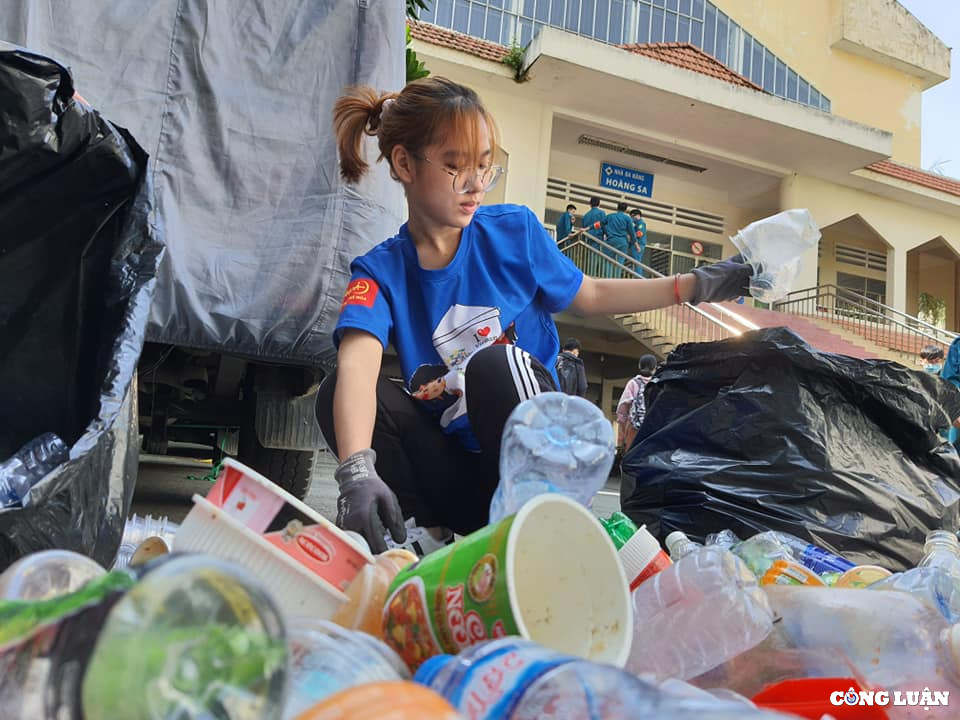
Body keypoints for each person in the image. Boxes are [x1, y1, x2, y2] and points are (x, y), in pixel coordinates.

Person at [317, 76, 753, 554]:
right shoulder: (380, 271)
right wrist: (355, 470)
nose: (475, 184)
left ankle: (549, 522)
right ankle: (428, 539)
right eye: (454, 166)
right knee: (337, 391)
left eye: (484, 167)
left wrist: (695, 285)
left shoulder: (513, 233)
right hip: (462, 481)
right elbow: (358, 365)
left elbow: (591, 292)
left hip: (535, 457)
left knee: (495, 364)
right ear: (404, 163)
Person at [616, 354, 657, 450]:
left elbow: (623, 407)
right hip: (653, 428)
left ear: (639, 366)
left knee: (632, 455)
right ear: (654, 368)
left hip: (635, 427)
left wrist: (622, 428)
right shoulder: (657, 384)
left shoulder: (633, 383)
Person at [602, 202, 633, 278]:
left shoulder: (610, 216)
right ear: (626, 210)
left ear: (617, 208)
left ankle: (608, 278)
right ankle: (617, 278)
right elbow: (632, 232)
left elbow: (600, 224)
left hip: (611, 240)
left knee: (608, 260)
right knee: (620, 263)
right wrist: (635, 242)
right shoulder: (627, 218)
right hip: (623, 242)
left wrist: (606, 232)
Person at [630, 208, 646, 276]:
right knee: (635, 261)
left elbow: (639, 233)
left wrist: (631, 236)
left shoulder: (641, 223)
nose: (632, 218)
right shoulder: (635, 224)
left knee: (637, 262)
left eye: (633, 216)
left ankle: (638, 277)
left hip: (638, 245)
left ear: (638, 215)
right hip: (635, 244)